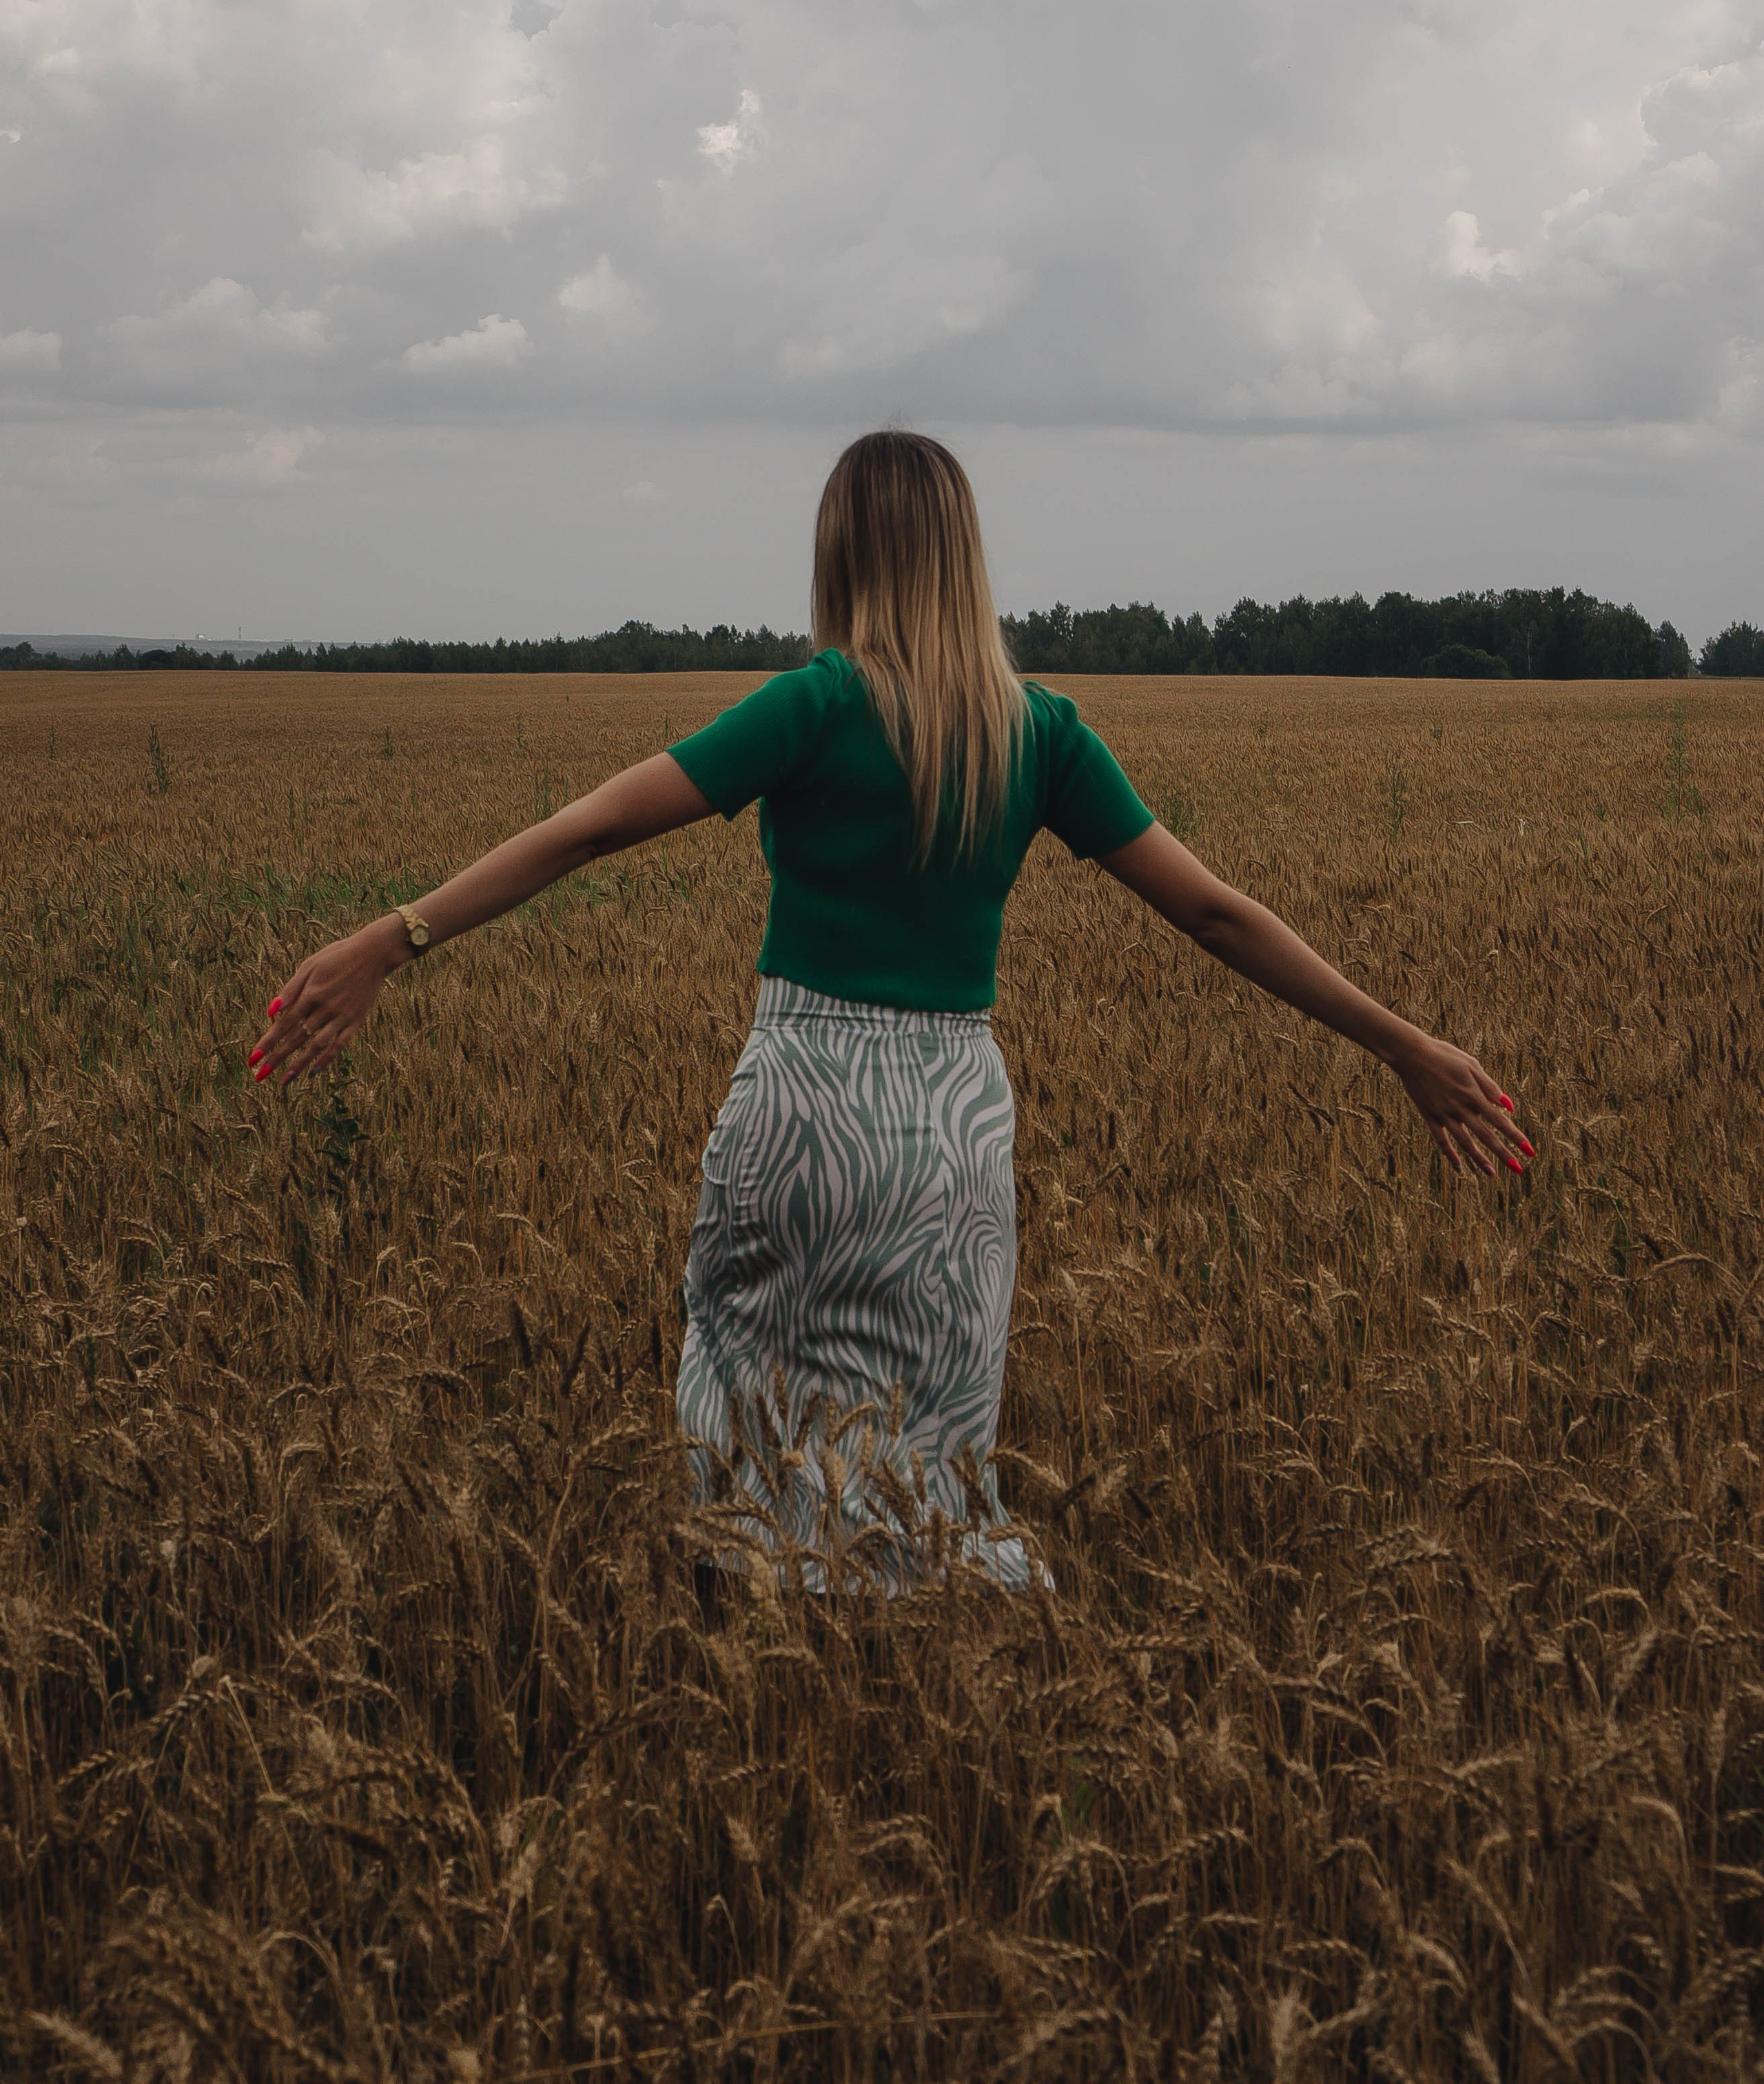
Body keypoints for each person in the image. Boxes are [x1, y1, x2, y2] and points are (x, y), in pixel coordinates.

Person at [250, 430, 1531, 1586]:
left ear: (843, 552)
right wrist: (1401, 1044)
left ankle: (758, 1675)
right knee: (930, 1453)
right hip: (952, 1134)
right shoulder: (1042, 734)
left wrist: (398, 933)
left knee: (753, 1429)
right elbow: (1218, 914)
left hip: (806, 1101)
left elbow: (591, 830)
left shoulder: (816, 706)